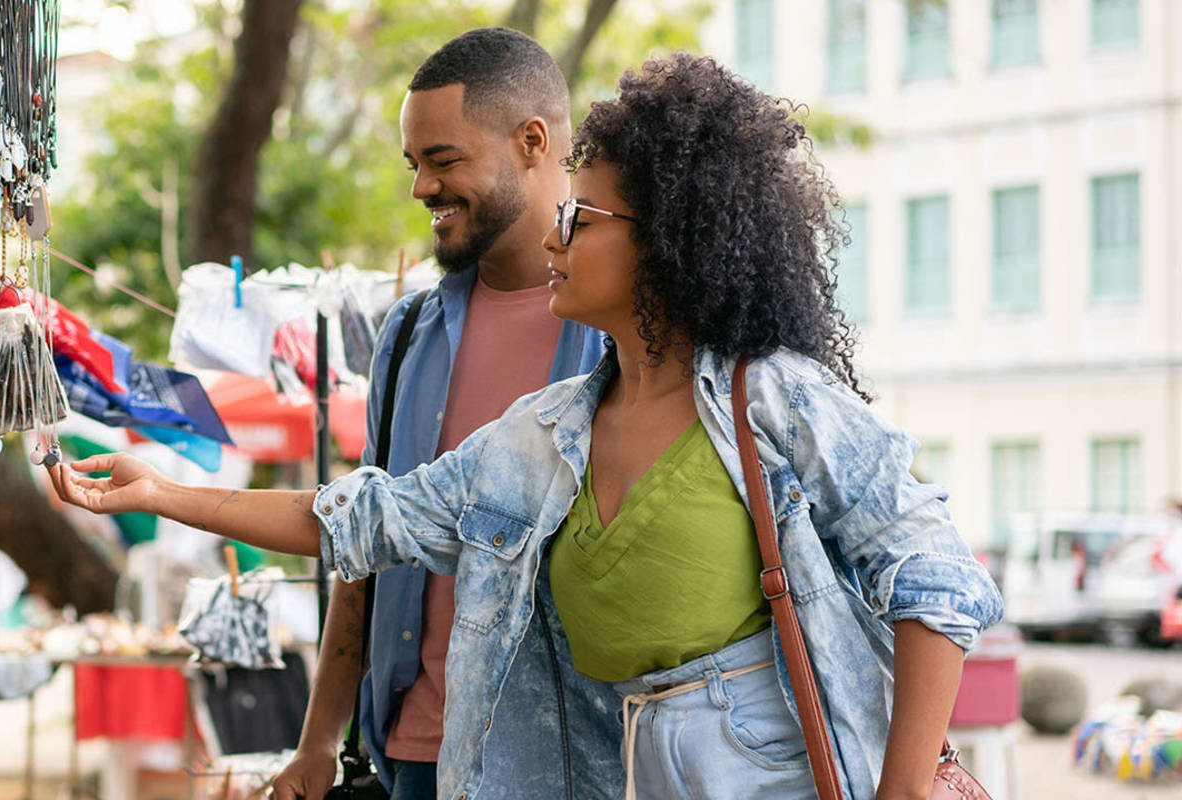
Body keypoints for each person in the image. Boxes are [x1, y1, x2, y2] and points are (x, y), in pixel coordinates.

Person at [48, 53, 1003, 800]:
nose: (555, 235)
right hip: (619, 767)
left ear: (667, 236)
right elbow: (366, 520)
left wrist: (904, 786)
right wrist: (163, 492)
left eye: (582, 218)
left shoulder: (772, 400)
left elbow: (936, 578)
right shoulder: (548, 433)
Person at [268, 28, 608, 800]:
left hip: (563, 762)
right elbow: (369, 539)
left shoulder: (623, 327)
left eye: (444, 160)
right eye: (414, 164)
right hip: (408, 755)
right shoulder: (410, 331)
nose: (421, 188)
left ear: (532, 142)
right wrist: (321, 737)